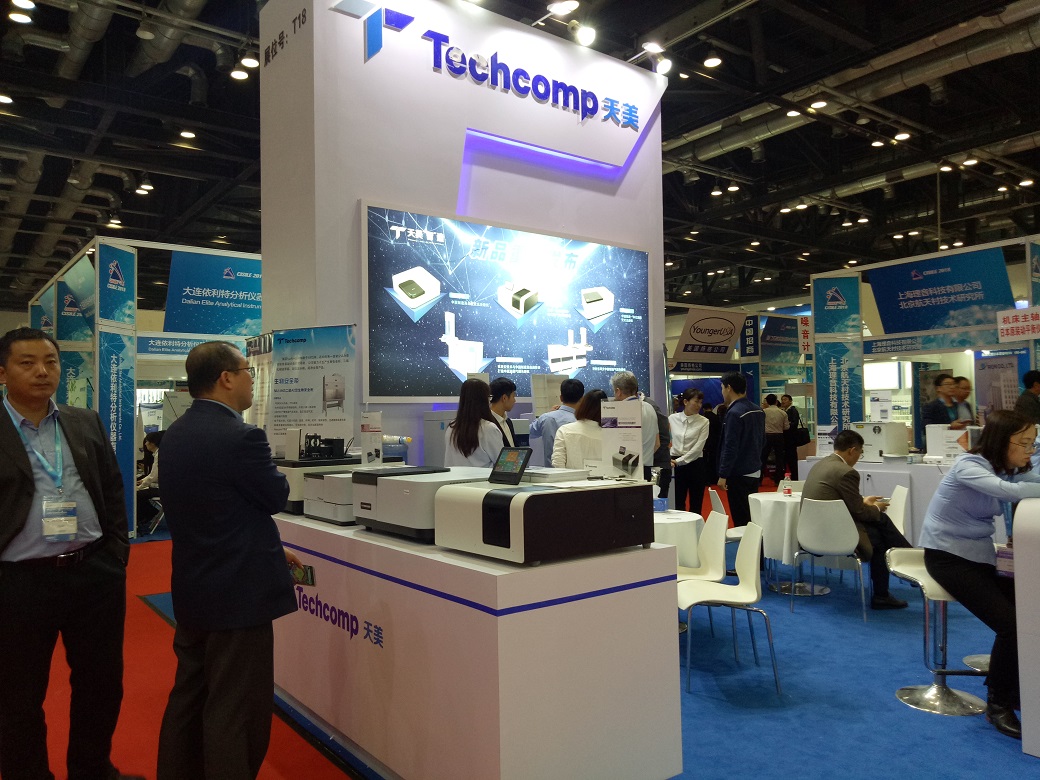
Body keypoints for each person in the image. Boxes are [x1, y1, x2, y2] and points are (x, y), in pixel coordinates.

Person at [0, 327, 142, 780]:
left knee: (101, 685)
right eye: (27, 363)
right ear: (2, 373)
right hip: (19, 582)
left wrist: (116, 553)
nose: (42, 371)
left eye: (50, 361)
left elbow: (112, 488)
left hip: (93, 573)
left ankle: (92, 770)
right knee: (18, 696)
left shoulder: (84, 421)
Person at [157, 341, 302, 779]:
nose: (252, 380)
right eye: (247, 371)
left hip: (194, 587)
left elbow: (214, 510)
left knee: (190, 695)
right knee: (235, 708)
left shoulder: (175, 434)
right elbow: (275, 496)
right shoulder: (241, 437)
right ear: (226, 378)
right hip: (240, 596)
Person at [920, 409, 1040, 740]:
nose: (1030, 450)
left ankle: (1014, 689)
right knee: (1011, 625)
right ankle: (998, 704)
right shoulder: (969, 465)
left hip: (980, 557)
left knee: (1029, 610)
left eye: (1033, 443)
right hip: (947, 558)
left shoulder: (1005, 469)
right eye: (1025, 443)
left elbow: (1030, 480)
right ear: (1003, 441)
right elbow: (1011, 492)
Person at [801, 429, 911, 610]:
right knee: (881, 530)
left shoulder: (821, 464)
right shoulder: (846, 472)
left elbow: (840, 500)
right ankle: (903, 569)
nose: (859, 457)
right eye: (860, 452)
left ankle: (907, 561)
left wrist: (863, 502)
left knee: (880, 526)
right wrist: (875, 507)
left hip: (812, 531)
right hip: (835, 534)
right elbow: (859, 512)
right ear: (852, 450)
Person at [716, 372, 765, 527]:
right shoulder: (758, 410)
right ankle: (755, 542)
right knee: (752, 515)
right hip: (754, 469)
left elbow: (730, 446)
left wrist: (723, 474)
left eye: (722, 388)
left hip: (739, 473)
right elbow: (762, 441)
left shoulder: (734, 413)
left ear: (729, 388)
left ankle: (745, 543)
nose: (722, 392)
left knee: (741, 517)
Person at [609, 370, 659, 481]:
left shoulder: (617, 410)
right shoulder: (650, 407)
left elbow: (610, 444)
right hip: (646, 469)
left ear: (618, 391)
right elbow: (657, 444)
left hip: (624, 470)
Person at [444, 378, 504, 467]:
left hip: (454, 476)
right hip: (483, 476)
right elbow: (503, 463)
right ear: (483, 400)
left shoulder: (452, 428)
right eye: (489, 397)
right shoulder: (489, 429)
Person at [669, 389, 709, 513]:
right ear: (685, 402)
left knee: (696, 503)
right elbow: (667, 441)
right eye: (696, 402)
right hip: (674, 464)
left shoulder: (704, 421)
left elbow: (698, 448)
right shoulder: (672, 419)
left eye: (700, 402)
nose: (699, 405)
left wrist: (679, 461)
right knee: (677, 503)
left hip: (695, 464)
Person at [529, 378, 583, 464]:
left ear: (561, 398)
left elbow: (530, 432)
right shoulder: (583, 421)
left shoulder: (546, 418)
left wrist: (546, 414)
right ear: (582, 399)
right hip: (576, 470)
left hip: (549, 470)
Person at [552, 390, 607, 469]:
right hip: (605, 477)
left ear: (582, 406)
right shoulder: (610, 435)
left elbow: (558, 463)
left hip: (571, 476)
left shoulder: (564, 430)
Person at [136, 430, 164, 529]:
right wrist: (143, 481)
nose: (145, 444)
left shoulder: (159, 455)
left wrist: (140, 486)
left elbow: (153, 476)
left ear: (153, 443)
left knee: (137, 495)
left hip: (162, 489)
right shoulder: (158, 454)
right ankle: (149, 512)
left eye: (147, 441)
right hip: (161, 486)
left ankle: (145, 515)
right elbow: (153, 475)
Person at [761, 393, 789, 482]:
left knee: (763, 457)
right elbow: (786, 427)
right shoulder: (783, 413)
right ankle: (778, 479)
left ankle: (759, 479)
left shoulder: (763, 412)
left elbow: (760, 425)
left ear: (767, 402)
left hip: (767, 436)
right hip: (779, 436)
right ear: (776, 402)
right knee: (779, 458)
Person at [489, 377, 517, 446]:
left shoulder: (508, 422)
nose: (514, 400)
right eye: (513, 396)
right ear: (504, 398)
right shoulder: (487, 423)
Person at [780, 394, 803, 480]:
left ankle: (795, 477)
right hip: (786, 439)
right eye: (782, 399)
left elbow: (794, 424)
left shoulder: (793, 410)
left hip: (791, 439)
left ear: (790, 401)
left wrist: (787, 424)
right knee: (786, 458)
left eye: (785, 399)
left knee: (792, 458)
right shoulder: (783, 411)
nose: (783, 401)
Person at [701, 401, 722, 486]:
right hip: (715, 443)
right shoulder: (717, 417)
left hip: (705, 443)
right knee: (714, 461)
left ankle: (706, 479)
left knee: (705, 462)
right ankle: (715, 478)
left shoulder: (703, 418)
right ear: (711, 408)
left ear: (703, 409)